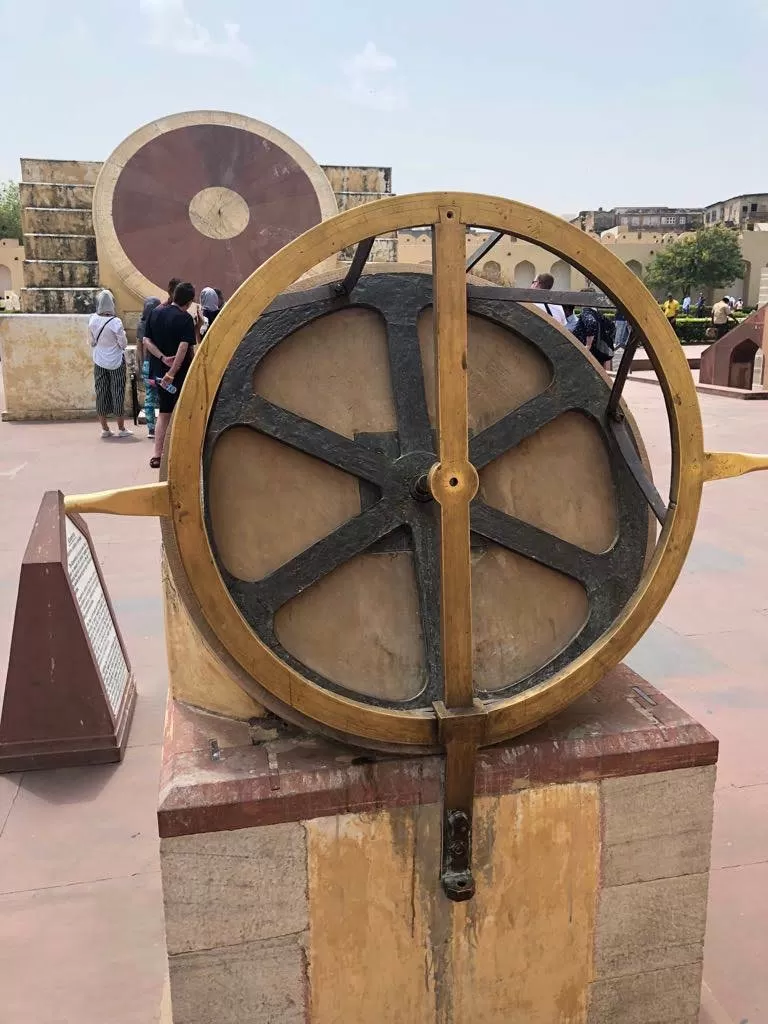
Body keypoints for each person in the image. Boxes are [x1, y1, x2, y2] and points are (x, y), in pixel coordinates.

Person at [143, 282, 197, 469]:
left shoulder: (155, 313)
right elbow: (184, 347)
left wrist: (162, 358)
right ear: (189, 302)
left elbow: (146, 340)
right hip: (178, 376)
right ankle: (179, 454)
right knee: (182, 413)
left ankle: (157, 455)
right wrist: (172, 372)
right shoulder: (185, 319)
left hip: (159, 372)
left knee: (164, 413)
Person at [88, 289, 132, 439]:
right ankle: (121, 428)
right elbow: (123, 344)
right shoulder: (116, 322)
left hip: (99, 361)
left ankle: (105, 428)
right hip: (116, 362)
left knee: (101, 392)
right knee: (117, 392)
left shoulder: (93, 319)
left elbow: (92, 341)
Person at [136, 296, 161, 438]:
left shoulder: (141, 325)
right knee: (164, 395)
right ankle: (163, 426)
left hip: (147, 364)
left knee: (149, 397)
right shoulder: (160, 323)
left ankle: (151, 428)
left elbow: (139, 349)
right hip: (159, 364)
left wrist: (139, 366)